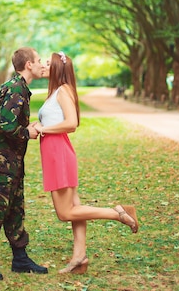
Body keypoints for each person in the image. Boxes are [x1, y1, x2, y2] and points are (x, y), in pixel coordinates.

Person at [34, 51, 139, 275]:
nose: (42, 65)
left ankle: (117, 213)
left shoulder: (62, 90)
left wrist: (44, 129)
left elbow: (72, 123)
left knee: (65, 213)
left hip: (58, 153)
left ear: (56, 68)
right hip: (57, 152)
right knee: (75, 209)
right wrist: (38, 125)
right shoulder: (56, 91)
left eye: (46, 63)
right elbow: (55, 120)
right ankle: (79, 258)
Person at [0, 47, 48, 281]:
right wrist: (28, 132)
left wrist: (26, 127)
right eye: (37, 60)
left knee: (15, 209)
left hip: (11, 162)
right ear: (28, 65)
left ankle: (20, 258)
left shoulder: (18, 88)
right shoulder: (16, 89)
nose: (40, 63)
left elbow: (9, 121)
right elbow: (6, 126)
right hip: (1, 164)